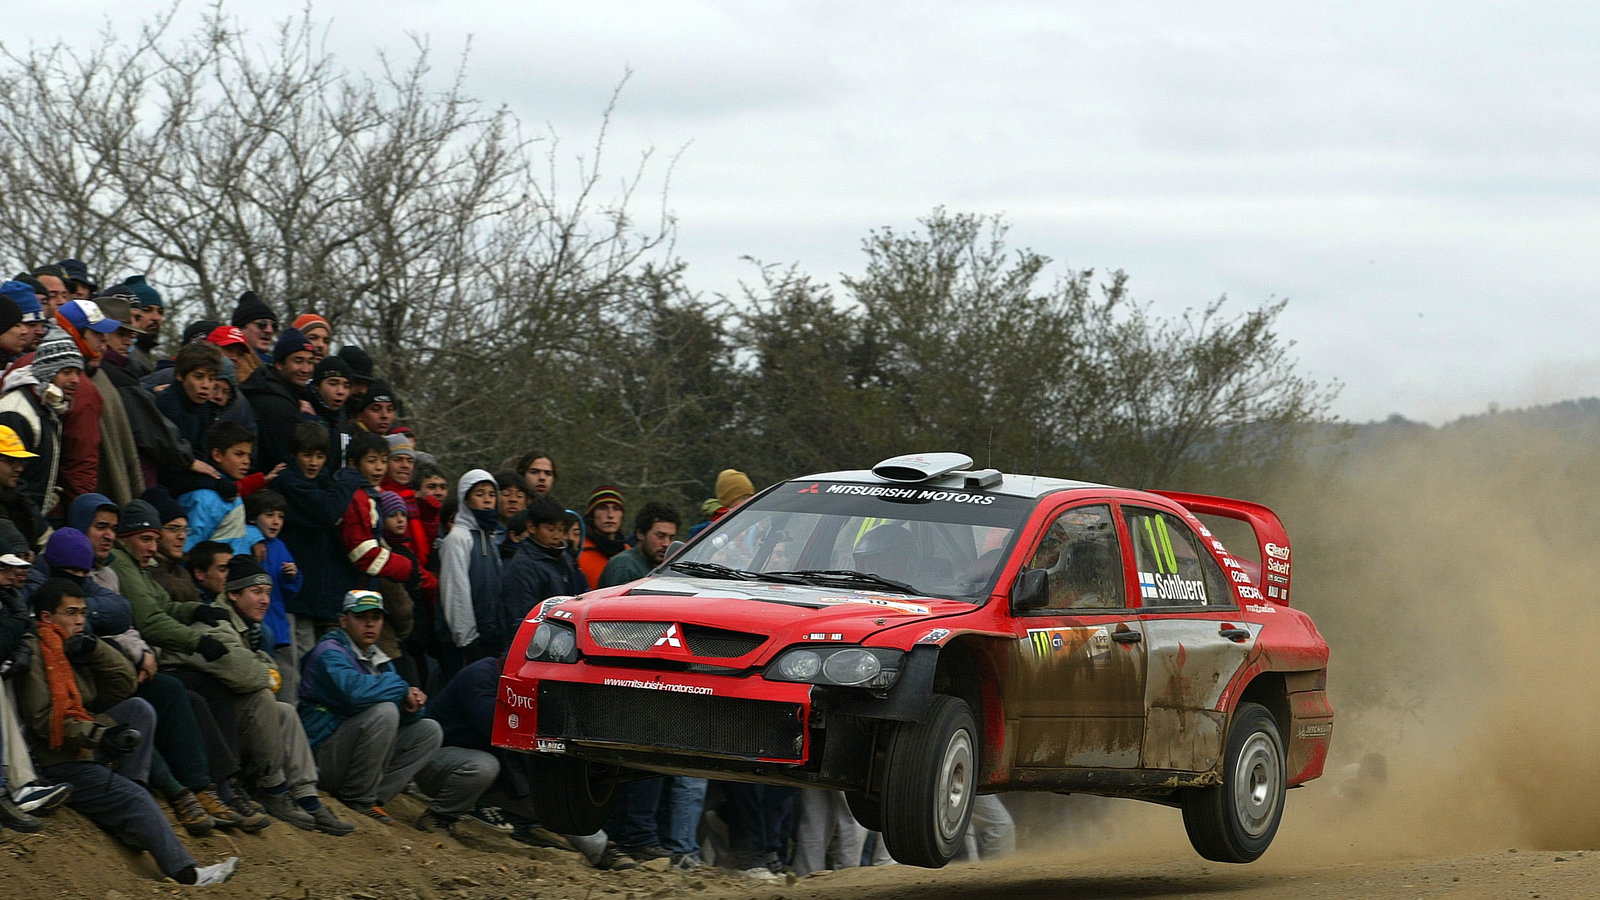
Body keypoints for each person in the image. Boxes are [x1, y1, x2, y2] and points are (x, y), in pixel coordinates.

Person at [16, 578, 239, 885]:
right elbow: (44, 720)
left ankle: (128, 793)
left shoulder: (72, 648)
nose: (80, 620)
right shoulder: (39, 653)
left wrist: (96, 649)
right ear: (46, 618)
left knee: (138, 709)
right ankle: (187, 873)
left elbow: (124, 685)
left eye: (82, 612)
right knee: (135, 798)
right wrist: (100, 735)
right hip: (55, 759)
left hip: (80, 742)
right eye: (70, 613)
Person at [164, 555, 353, 835]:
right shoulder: (215, 624)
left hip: (223, 718)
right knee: (263, 697)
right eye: (256, 592)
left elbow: (262, 668)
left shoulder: (246, 628)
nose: (265, 600)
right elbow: (248, 676)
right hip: (196, 725)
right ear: (233, 594)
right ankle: (272, 788)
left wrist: (262, 667)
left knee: (286, 711)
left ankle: (307, 797)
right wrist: (264, 670)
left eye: (268, 593)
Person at [299, 589, 442, 824]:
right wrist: (401, 688)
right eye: (361, 617)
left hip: (350, 750)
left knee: (429, 730)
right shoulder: (329, 652)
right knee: (383, 712)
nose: (369, 624)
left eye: (375, 618)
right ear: (344, 620)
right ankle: (359, 799)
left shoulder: (378, 658)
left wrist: (413, 705)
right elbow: (354, 695)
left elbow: (398, 708)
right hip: (319, 755)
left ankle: (373, 798)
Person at [487, 498, 585, 658]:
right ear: (532, 527)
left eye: (560, 530)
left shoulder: (562, 557)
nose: (557, 536)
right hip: (537, 646)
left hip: (563, 640)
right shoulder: (523, 566)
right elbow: (521, 616)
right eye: (550, 529)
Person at [0, 333, 80, 517]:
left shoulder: (46, 407)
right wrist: (38, 531)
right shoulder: (17, 412)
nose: (76, 380)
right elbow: (9, 487)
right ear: (47, 372)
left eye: (78, 372)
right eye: (66, 372)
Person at [436, 470, 500, 678]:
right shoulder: (457, 539)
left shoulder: (489, 538)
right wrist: (467, 639)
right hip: (467, 643)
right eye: (480, 494)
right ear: (466, 498)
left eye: (491, 494)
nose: (487, 500)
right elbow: (455, 592)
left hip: (490, 636)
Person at [242, 489, 302, 693]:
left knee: (287, 675)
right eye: (269, 515)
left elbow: (288, 591)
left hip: (277, 621)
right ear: (253, 517)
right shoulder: (246, 541)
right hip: (253, 621)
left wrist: (291, 576)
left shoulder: (279, 545)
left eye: (280, 516)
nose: (276, 521)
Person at [243, 326, 317, 473]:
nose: (305, 369)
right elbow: (285, 461)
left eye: (310, 362)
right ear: (279, 364)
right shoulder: (276, 404)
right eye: (298, 361)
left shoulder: (283, 392)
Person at [597, 502, 681, 588]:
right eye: (660, 536)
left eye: (671, 538)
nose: (666, 544)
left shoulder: (664, 567)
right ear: (640, 533)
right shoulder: (625, 567)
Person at [577, 486, 627, 588]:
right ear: (592, 515)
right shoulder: (578, 551)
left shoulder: (629, 552)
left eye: (616, 508)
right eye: (603, 508)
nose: (610, 515)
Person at [230, 290, 278, 363]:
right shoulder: (228, 367)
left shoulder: (277, 367)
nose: (269, 330)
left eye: (274, 326)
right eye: (262, 324)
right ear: (240, 329)